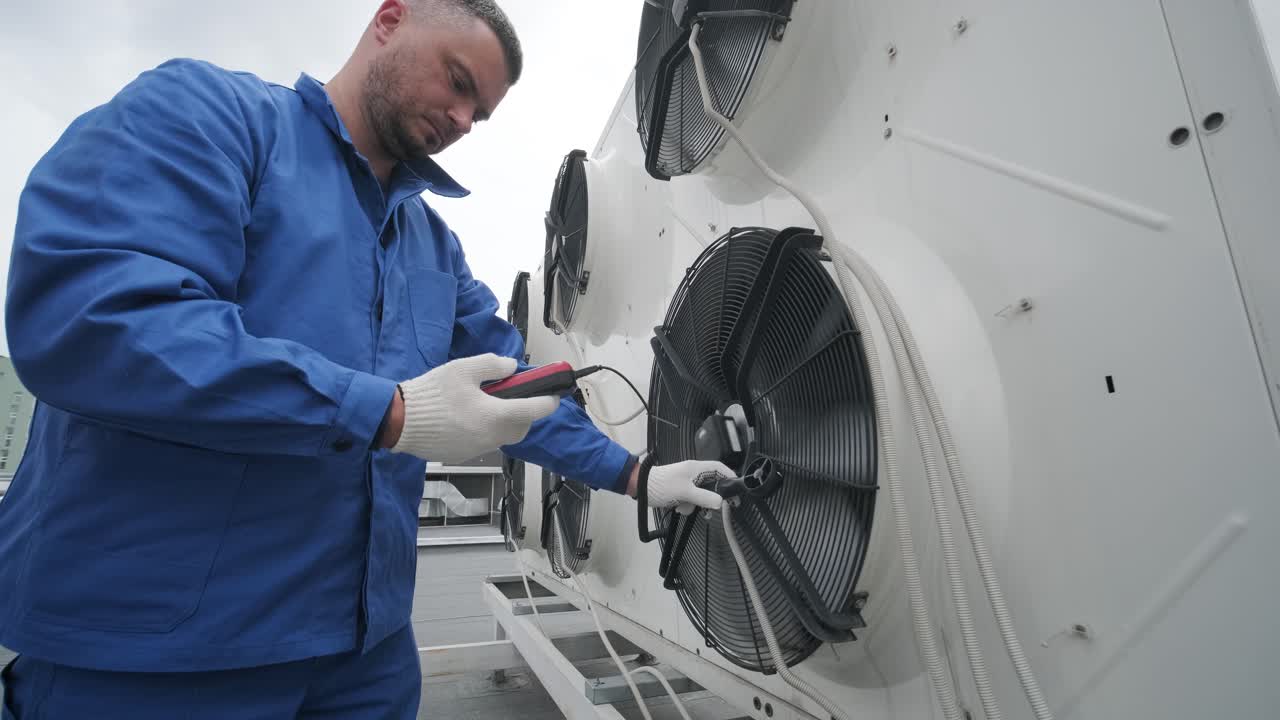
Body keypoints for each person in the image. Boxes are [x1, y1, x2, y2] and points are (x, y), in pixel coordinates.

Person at [0, 1, 728, 717]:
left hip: (365, 663)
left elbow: (515, 390)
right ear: (389, 20)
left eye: (479, 116)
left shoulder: (433, 248)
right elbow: (96, 320)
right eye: (458, 81)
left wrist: (637, 475)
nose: (462, 120)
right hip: (155, 659)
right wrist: (388, 412)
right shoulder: (211, 117)